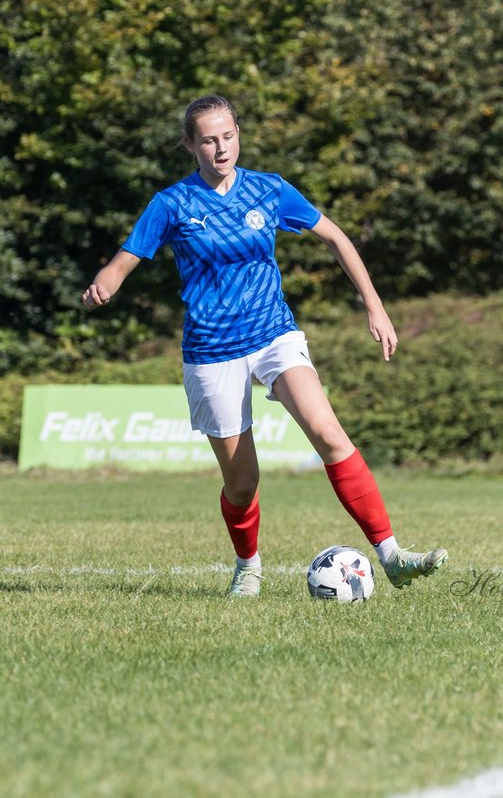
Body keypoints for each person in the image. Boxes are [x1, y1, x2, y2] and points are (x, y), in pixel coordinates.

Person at [81, 94, 448, 597]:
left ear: (238, 135)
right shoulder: (173, 204)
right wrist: (104, 285)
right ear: (190, 145)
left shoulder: (269, 190)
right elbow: (125, 261)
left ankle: (392, 555)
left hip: (274, 333)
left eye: (228, 135)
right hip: (212, 349)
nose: (220, 147)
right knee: (242, 482)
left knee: (329, 433)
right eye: (208, 139)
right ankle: (248, 564)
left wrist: (375, 306)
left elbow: (337, 238)